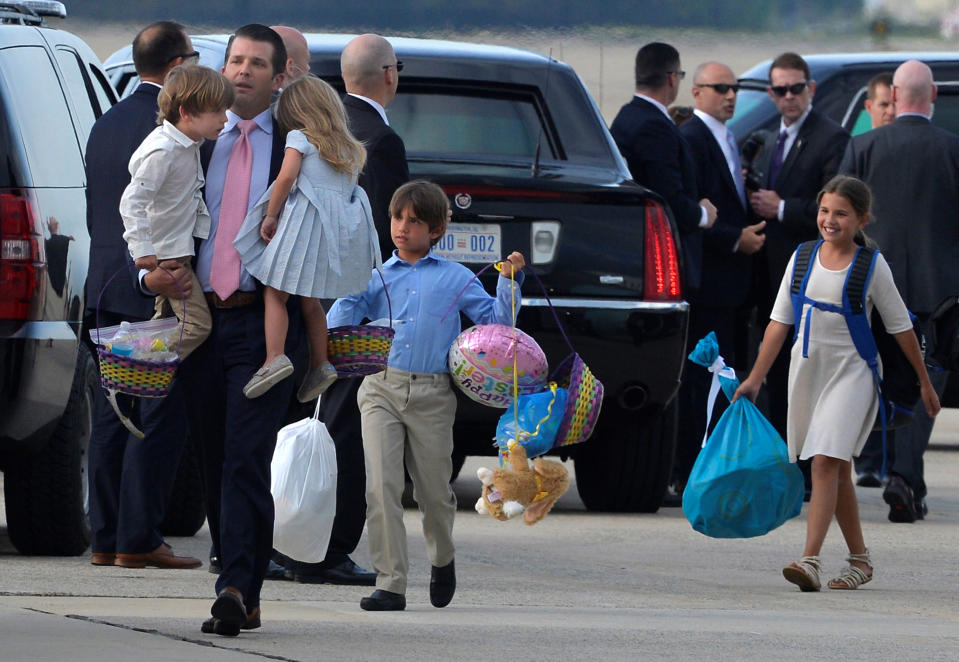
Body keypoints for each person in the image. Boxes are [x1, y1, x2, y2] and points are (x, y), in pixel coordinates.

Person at [733, 175, 940, 592]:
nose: (830, 220)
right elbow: (778, 324)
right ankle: (860, 561)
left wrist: (925, 382)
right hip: (808, 371)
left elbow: (901, 328)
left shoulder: (871, 265)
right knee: (837, 468)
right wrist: (755, 379)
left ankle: (809, 559)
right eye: (825, 211)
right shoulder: (803, 257)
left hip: (855, 372)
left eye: (841, 213)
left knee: (825, 461)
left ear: (862, 219)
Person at [326, 180, 526, 611]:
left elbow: (497, 323)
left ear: (435, 230)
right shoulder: (376, 274)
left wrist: (508, 282)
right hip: (381, 385)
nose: (402, 228)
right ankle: (390, 581)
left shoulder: (455, 277)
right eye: (398, 218)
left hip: (434, 393)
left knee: (433, 492)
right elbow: (339, 322)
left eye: (414, 221)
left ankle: (442, 557)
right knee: (381, 487)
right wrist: (349, 286)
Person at [180, 24, 295, 637]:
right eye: (235, 61)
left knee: (246, 460)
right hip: (199, 323)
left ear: (279, 79)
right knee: (212, 456)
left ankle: (235, 585)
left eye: (256, 64)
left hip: (262, 324)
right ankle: (238, 577)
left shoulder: (294, 151)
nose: (243, 71)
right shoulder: (193, 142)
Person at [283, 33, 410, 586]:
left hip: (294, 294)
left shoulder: (302, 131)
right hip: (347, 305)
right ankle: (326, 549)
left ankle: (284, 540)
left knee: (294, 427)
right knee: (342, 432)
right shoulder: (378, 140)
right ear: (389, 74)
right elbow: (385, 235)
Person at [84, 20, 201, 571]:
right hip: (153, 285)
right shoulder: (168, 129)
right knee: (159, 416)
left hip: (103, 286)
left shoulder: (105, 121)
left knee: (112, 415)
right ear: (178, 66)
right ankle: (138, 537)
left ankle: (105, 537)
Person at [839, 59, 959, 522]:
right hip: (938, 296)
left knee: (878, 383)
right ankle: (904, 477)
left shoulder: (864, 147)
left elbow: (837, 217)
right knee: (926, 384)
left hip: (871, 287)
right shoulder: (952, 150)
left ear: (895, 93)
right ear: (931, 97)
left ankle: (902, 477)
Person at [234, 76, 379, 401]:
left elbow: (286, 177)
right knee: (310, 300)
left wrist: (271, 215)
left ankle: (274, 357)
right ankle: (321, 362)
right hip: (331, 235)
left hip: (302, 225)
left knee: (275, 294)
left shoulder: (300, 138)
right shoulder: (349, 148)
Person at [672, 62, 766, 493]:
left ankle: (712, 459)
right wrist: (735, 239)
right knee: (702, 378)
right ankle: (693, 465)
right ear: (696, 93)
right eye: (721, 88)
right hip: (709, 280)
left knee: (718, 375)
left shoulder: (728, 136)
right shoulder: (692, 137)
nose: (731, 95)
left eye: (735, 88)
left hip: (731, 287)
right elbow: (693, 211)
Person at [747, 52, 849, 442]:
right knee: (774, 373)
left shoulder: (831, 137)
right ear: (771, 94)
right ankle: (782, 456)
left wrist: (783, 207)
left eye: (796, 88)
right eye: (780, 90)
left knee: (806, 372)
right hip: (770, 273)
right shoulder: (772, 137)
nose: (788, 96)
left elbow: (836, 207)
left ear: (811, 89)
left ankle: (806, 462)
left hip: (811, 271)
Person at [120, 65, 234, 360]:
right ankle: (135, 358)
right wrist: (142, 250)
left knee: (163, 319)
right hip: (167, 254)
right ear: (186, 112)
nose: (225, 119)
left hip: (174, 248)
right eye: (217, 111)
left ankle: (137, 361)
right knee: (196, 325)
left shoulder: (188, 143)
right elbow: (131, 201)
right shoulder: (164, 150)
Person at [610, 41, 716, 296]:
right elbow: (667, 197)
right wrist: (703, 214)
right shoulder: (655, 127)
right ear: (671, 78)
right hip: (661, 260)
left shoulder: (626, 116)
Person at [850, 71, 896, 488]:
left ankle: (888, 460)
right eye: (884, 104)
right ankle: (867, 459)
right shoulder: (862, 151)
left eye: (896, 102)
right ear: (869, 108)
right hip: (864, 278)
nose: (891, 111)